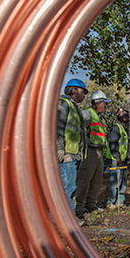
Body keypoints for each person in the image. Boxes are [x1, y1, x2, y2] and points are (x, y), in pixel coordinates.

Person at [56, 79, 88, 225]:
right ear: (73, 90)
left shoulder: (74, 107)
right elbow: (58, 128)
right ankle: (66, 219)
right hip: (66, 154)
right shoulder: (63, 104)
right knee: (67, 186)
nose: (85, 95)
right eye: (83, 92)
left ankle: (57, 218)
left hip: (72, 154)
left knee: (68, 186)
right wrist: (60, 150)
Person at [75, 90, 111, 217]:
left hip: (99, 152)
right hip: (89, 151)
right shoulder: (87, 114)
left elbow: (103, 138)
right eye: (104, 103)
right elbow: (78, 132)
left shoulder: (102, 120)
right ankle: (79, 205)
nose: (106, 106)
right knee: (85, 178)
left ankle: (91, 204)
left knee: (97, 180)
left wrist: (105, 156)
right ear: (97, 103)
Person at [104, 108, 130, 208]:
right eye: (124, 114)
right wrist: (117, 157)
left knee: (123, 182)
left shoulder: (124, 129)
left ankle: (120, 202)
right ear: (119, 116)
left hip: (123, 160)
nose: (126, 116)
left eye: (127, 115)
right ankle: (110, 202)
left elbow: (125, 145)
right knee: (114, 181)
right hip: (116, 160)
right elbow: (113, 144)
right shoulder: (116, 128)